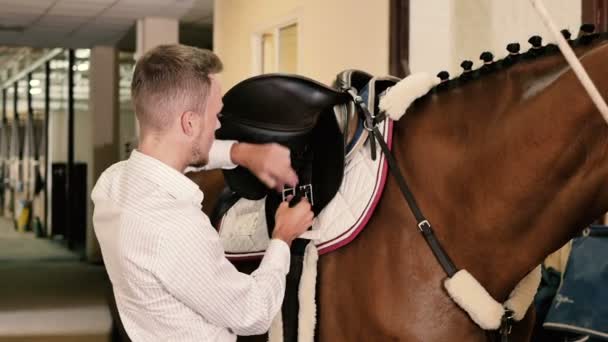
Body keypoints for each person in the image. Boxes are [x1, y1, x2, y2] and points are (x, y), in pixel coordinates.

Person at [91, 44, 314, 341]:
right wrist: (282, 237)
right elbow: (253, 314)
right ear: (190, 123)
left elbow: (173, 161)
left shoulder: (112, 184)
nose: (219, 124)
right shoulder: (175, 228)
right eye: (216, 115)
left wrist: (240, 152)